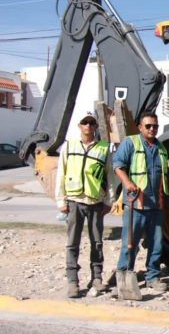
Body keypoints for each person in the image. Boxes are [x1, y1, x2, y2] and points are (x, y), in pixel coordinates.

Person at [55, 112, 115, 298]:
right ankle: (73, 281)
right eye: (85, 123)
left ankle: (96, 278)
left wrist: (109, 201)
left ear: (96, 126)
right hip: (74, 202)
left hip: (95, 202)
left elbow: (110, 177)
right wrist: (60, 200)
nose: (88, 126)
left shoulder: (104, 148)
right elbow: (61, 173)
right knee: (73, 243)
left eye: (91, 123)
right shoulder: (69, 146)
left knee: (96, 243)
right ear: (79, 126)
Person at [114, 112, 169, 292]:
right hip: (135, 203)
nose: (152, 129)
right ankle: (123, 276)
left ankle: (152, 276)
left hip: (156, 204)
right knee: (130, 242)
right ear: (140, 127)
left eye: (155, 126)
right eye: (148, 126)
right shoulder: (130, 143)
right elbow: (118, 166)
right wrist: (128, 183)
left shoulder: (161, 148)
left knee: (156, 243)